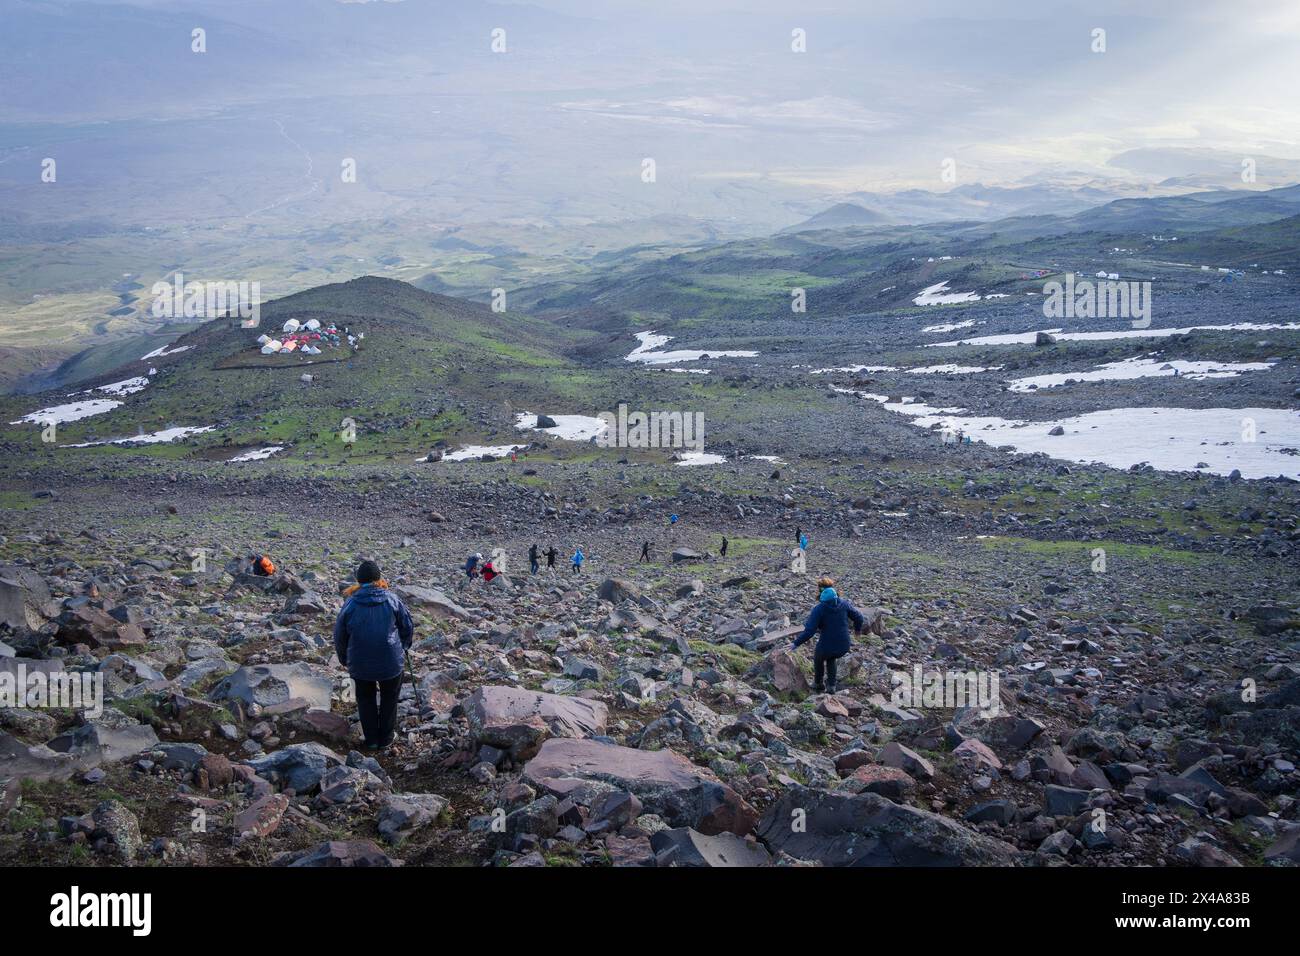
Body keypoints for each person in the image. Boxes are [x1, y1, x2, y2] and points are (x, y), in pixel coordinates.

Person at [333, 560, 414, 750]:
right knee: (389, 698)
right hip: (391, 662)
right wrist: (403, 647)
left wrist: (344, 659)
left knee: (365, 699)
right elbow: (407, 626)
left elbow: (340, 635)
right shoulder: (392, 599)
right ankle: (386, 738)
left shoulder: (350, 603)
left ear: (359, 581)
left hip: (360, 664)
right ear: (379, 579)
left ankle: (371, 740)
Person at [791, 582, 863, 695]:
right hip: (844, 645)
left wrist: (795, 643)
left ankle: (818, 682)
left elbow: (809, 631)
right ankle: (831, 685)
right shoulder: (844, 604)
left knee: (819, 656)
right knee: (831, 658)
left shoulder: (819, 609)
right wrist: (857, 630)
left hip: (827, 646)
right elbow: (859, 617)